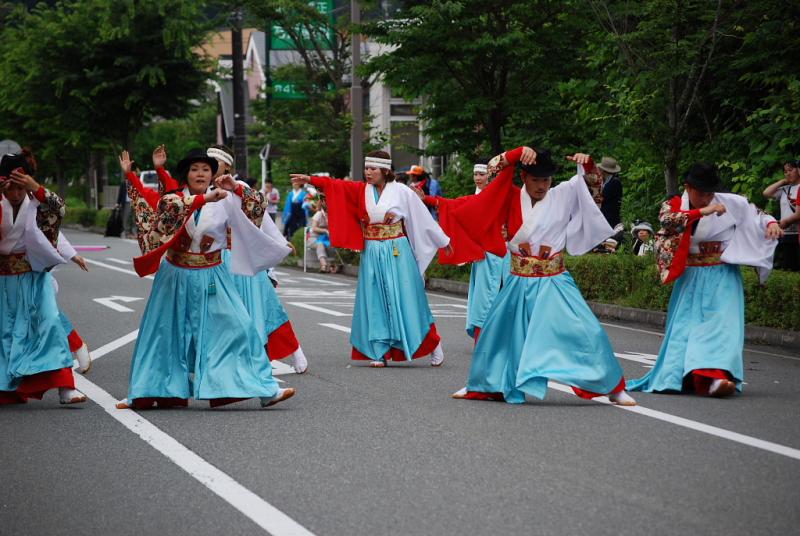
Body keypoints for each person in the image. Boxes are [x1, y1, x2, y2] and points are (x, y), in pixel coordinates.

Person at [446, 146, 636, 406]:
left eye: (546, 180)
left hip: (554, 278)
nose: (541, 186)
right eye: (536, 180)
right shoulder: (510, 195)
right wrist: (516, 153)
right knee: (497, 334)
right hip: (518, 279)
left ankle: (613, 386)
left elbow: (594, 191)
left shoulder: (564, 193)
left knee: (587, 331)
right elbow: (492, 170)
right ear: (524, 176)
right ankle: (482, 384)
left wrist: (589, 166)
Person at [117, 149, 295, 409]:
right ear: (186, 174)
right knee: (162, 333)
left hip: (213, 274)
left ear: (213, 174)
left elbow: (257, 207)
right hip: (174, 275)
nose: (200, 174)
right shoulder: (175, 198)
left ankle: (266, 389)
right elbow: (169, 211)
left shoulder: (225, 198)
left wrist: (236, 188)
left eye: (205, 169)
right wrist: (202, 198)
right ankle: (144, 391)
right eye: (194, 169)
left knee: (240, 328)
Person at [627, 163, 782, 397]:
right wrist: (703, 212)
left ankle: (714, 379)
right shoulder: (675, 204)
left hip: (723, 273)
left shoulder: (730, 202)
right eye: (701, 193)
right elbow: (667, 221)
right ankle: (688, 378)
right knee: (687, 330)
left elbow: (755, 213)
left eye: (710, 194)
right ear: (688, 187)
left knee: (721, 327)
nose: (707, 198)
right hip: (691, 276)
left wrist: (771, 224)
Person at [290, 150, 451, 367]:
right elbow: (336, 185)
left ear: (384, 170)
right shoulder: (361, 190)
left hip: (396, 249)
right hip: (372, 250)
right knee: (374, 299)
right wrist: (311, 179)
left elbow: (421, 217)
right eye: (366, 168)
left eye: (372, 169)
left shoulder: (402, 191)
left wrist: (442, 240)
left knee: (408, 297)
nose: (368, 172)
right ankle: (379, 351)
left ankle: (432, 343)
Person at [206, 145, 309, 374]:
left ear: (227, 166)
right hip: (216, 260)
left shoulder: (239, 186)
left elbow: (260, 213)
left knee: (267, 306)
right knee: (223, 313)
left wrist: (279, 241)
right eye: (207, 160)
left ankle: (295, 350)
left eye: (215, 161)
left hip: (244, 256)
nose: (209, 165)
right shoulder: (203, 190)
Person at [0, 153, 86, 405]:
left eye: (21, 187)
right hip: (3, 281)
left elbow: (57, 217)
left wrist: (72, 254)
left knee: (50, 324)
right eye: (11, 188)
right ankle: (9, 387)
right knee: (6, 333)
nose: (16, 194)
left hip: (34, 277)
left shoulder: (36, 203)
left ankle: (66, 388)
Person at [417, 160, 510, 343]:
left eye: (482, 174)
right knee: (484, 299)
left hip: (506, 252)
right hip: (485, 255)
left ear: (490, 176)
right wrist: (426, 199)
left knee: (507, 294)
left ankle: (506, 338)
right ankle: (483, 338)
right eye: (475, 174)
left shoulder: (502, 196)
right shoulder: (474, 199)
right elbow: (452, 205)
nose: (478, 178)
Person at [763, 160, 799, 270]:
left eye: (790, 170)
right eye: (785, 172)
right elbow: (766, 193)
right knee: (788, 266)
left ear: (798, 170)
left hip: (798, 232)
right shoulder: (785, 190)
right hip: (786, 232)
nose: (788, 173)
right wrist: (783, 181)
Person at [308, 197, 335, 273]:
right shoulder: (319, 214)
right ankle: (324, 265)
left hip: (327, 238)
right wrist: (325, 230)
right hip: (315, 238)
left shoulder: (332, 215)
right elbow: (314, 228)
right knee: (320, 244)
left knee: (333, 245)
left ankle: (331, 265)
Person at [597, 156, 622, 228]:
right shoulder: (606, 181)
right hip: (605, 216)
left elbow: (603, 197)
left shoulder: (614, 182)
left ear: (603, 170)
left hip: (610, 219)